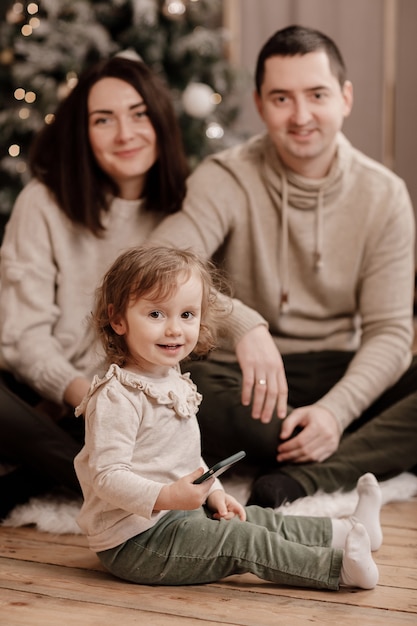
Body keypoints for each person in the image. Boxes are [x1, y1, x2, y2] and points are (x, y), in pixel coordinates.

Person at [149, 25, 417, 506]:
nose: (301, 116)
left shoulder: (384, 195)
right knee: (180, 391)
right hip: (247, 381)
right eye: (281, 98)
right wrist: (246, 325)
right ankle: (365, 447)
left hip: (340, 368)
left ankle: (302, 475)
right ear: (259, 103)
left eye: (317, 94)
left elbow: (390, 332)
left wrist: (335, 412)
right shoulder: (226, 176)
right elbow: (160, 269)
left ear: (345, 97)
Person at [74, 245, 382, 591]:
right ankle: (338, 570)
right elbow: (107, 477)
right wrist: (168, 497)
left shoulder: (172, 379)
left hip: (178, 516)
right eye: (156, 314)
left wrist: (213, 492)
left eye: (187, 315)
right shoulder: (117, 395)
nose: (175, 329)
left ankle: (348, 531)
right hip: (137, 541)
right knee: (242, 539)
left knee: (257, 518)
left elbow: (186, 457)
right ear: (118, 320)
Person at [0, 54, 191, 519]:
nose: (125, 134)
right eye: (103, 120)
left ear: (160, 121)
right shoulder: (43, 203)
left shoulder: (184, 210)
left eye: (139, 114)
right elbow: (21, 337)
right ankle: (80, 473)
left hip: (138, 404)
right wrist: (87, 397)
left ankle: (51, 471)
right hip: (52, 393)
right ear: (82, 134)